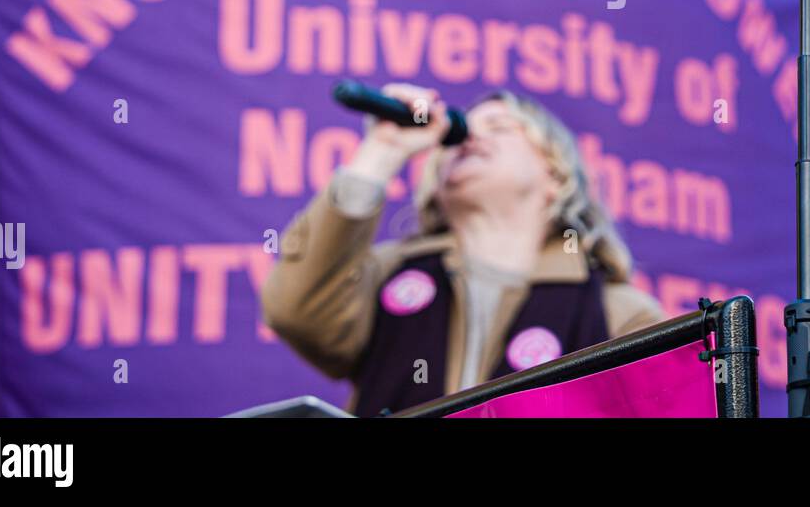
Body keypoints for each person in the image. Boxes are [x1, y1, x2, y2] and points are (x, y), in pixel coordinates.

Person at [261, 83, 666, 416]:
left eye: (500, 126)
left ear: (556, 178)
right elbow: (297, 311)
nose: (470, 136)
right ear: (436, 186)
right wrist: (383, 149)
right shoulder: (391, 272)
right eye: (459, 132)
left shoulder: (620, 314)